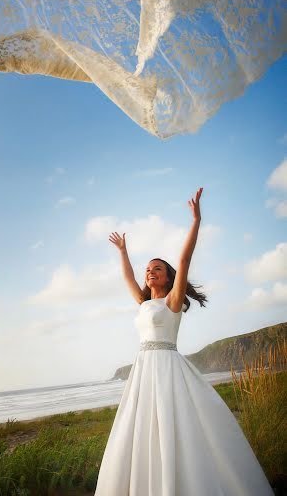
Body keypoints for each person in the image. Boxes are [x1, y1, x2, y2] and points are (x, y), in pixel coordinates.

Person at [94, 187, 274, 496]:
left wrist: (196, 220)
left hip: (167, 368)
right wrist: (123, 252)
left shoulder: (173, 302)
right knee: (142, 430)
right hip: (143, 371)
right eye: (148, 269)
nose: (150, 272)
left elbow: (184, 257)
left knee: (177, 427)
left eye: (157, 269)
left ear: (167, 278)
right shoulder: (142, 302)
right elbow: (127, 278)